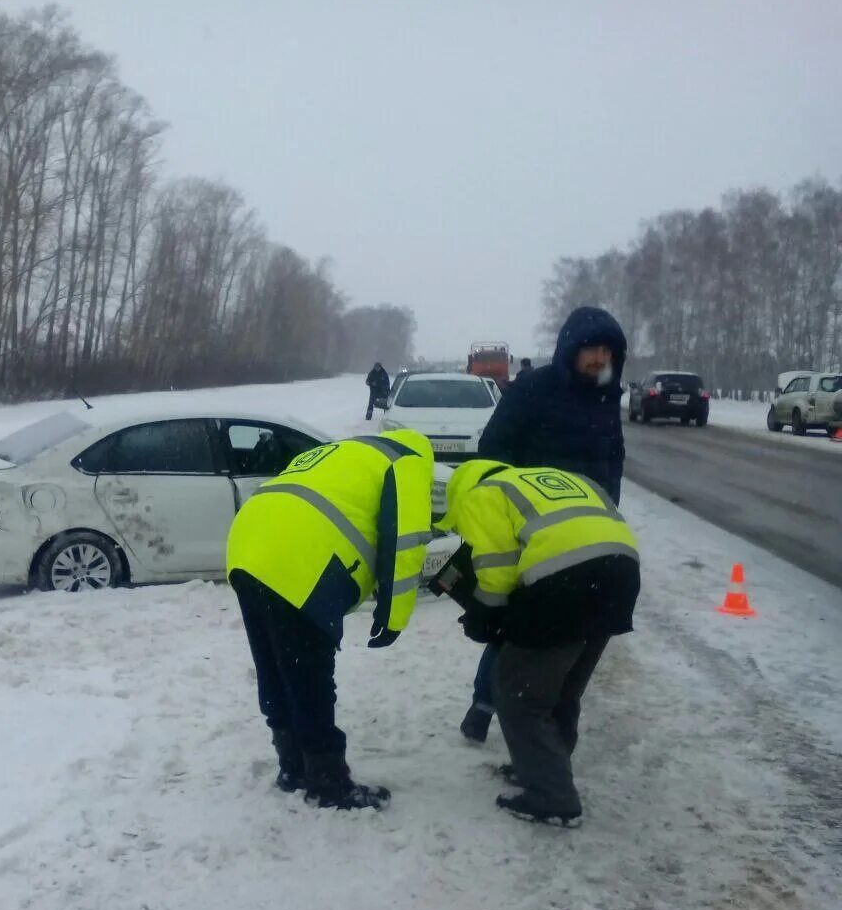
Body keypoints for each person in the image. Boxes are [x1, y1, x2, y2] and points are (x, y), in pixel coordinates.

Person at [227, 428, 434, 810]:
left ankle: (292, 766)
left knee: (275, 664)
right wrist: (393, 616)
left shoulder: (341, 452)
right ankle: (328, 781)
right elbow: (405, 540)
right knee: (309, 674)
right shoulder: (408, 462)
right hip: (300, 552)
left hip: (247, 542)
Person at [435, 458, 640, 826]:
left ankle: (553, 795)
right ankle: (546, 766)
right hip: (620, 577)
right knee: (561, 688)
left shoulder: (483, 494)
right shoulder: (565, 477)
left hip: (564, 583)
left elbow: (497, 571)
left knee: (518, 692)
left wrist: (483, 617)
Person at [460, 306, 627, 743]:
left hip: (582, 527)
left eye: (607, 351)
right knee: (512, 625)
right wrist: (503, 507)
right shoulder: (534, 389)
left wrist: (609, 512)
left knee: (567, 633)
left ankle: (544, 721)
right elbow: (493, 449)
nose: (599, 358)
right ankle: (483, 705)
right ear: (571, 348)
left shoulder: (607, 397)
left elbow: (613, 460)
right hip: (527, 521)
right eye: (592, 349)